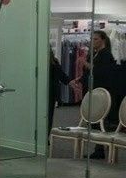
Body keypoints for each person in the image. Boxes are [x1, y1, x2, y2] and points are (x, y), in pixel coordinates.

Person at [69, 30, 117, 158]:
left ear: (103, 40)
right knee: (93, 121)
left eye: (95, 39)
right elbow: (89, 73)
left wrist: (85, 63)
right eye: (92, 39)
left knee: (100, 121)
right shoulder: (95, 54)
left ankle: (100, 149)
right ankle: (99, 149)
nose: (92, 42)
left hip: (101, 93)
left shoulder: (106, 55)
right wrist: (79, 79)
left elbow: (101, 72)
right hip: (93, 92)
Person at [48, 47, 70, 137]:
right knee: (46, 116)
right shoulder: (52, 62)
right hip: (46, 92)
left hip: (50, 93)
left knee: (48, 117)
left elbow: (61, 75)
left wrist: (69, 81)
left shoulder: (54, 61)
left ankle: (45, 137)